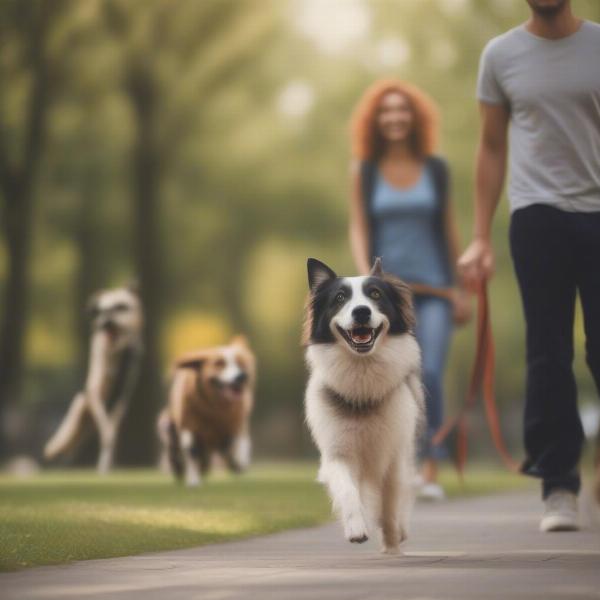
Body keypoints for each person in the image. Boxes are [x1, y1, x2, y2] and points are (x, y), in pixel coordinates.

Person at [458, 0, 600, 531]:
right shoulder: (500, 54)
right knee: (547, 351)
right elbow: (491, 147)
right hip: (536, 217)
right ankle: (558, 485)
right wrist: (478, 236)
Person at [349, 79, 471, 500]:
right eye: (387, 111)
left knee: (430, 371)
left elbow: (448, 228)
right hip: (388, 296)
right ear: (376, 121)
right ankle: (399, 464)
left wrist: (461, 288)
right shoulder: (364, 172)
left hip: (436, 288)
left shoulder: (435, 170)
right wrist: (366, 278)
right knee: (397, 377)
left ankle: (430, 467)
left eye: (402, 110)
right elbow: (360, 227)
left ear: (414, 118)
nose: (395, 117)